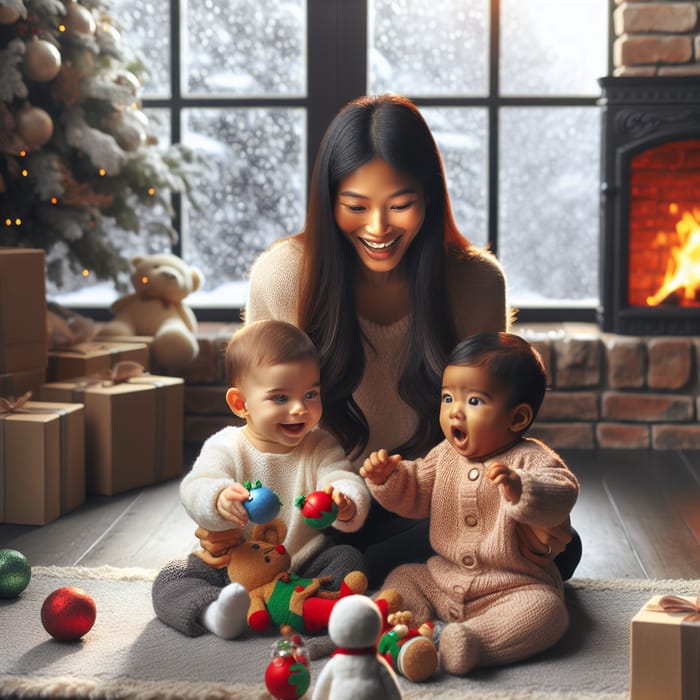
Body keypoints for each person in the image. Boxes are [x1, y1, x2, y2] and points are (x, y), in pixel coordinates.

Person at [244, 93, 581, 585]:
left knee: (558, 545)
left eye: (400, 205)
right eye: (356, 206)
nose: (378, 228)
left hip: (431, 501)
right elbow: (260, 421)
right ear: (328, 201)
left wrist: (516, 499)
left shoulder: (475, 282)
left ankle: (366, 576)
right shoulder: (282, 275)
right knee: (319, 554)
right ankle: (374, 573)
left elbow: (494, 421)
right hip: (323, 507)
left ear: (429, 196)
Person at [360, 332, 580, 675]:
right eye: (448, 398)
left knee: (547, 611)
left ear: (517, 418)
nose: (454, 413)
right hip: (444, 579)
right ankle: (407, 632)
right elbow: (416, 489)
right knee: (404, 577)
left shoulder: (529, 459)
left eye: (474, 402)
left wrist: (523, 489)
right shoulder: (444, 455)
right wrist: (389, 478)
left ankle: (475, 642)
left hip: (514, 586)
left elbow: (563, 491)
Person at [151, 320, 370, 639]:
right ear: (241, 404)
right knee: (170, 580)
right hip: (232, 571)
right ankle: (217, 614)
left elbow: (341, 477)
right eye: (281, 398)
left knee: (348, 559)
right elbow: (195, 486)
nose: (299, 408)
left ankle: (303, 608)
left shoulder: (319, 445)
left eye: (311, 394)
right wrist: (218, 498)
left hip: (300, 567)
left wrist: (345, 501)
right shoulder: (226, 444)